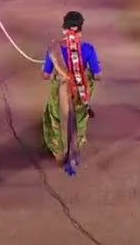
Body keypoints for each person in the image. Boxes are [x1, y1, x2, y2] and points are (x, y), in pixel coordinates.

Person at [42, 10, 100, 176]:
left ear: (63, 30)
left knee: (57, 117)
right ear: (80, 32)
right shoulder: (88, 49)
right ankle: (74, 150)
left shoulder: (53, 49)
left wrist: (59, 72)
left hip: (60, 95)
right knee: (78, 119)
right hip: (79, 97)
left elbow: (45, 75)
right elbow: (97, 75)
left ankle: (59, 154)